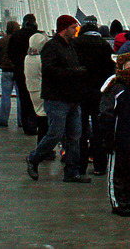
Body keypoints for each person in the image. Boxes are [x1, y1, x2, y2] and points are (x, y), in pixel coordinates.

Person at [26, 15, 91, 184]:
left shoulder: (70, 46)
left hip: (72, 98)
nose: (76, 30)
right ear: (64, 28)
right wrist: (75, 72)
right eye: (72, 27)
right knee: (55, 134)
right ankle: (33, 159)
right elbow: (50, 71)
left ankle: (72, 171)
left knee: (74, 136)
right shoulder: (51, 47)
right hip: (57, 98)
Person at [100, 51, 130, 216]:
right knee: (117, 172)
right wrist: (108, 138)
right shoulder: (115, 87)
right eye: (128, 64)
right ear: (121, 67)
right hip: (118, 138)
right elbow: (106, 113)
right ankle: (118, 203)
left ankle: (129, 201)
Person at [73, 15, 116, 176]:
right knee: (99, 130)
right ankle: (99, 164)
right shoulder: (105, 46)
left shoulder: (75, 44)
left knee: (80, 129)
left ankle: (80, 164)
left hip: (80, 92)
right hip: (100, 93)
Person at [8, 13, 41, 135]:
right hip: (35, 72)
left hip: (20, 71)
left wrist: (17, 63)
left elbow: (10, 53)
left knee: (23, 98)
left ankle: (25, 123)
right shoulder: (38, 36)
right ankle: (34, 123)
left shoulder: (16, 35)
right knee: (35, 98)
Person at [25, 28, 51, 146]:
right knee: (44, 122)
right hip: (41, 90)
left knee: (40, 118)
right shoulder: (41, 60)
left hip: (32, 89)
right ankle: (44, 148)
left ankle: (42, 146)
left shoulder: (28, 58)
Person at [0, 20, 21, 127]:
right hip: (18, 70)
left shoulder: (2, 40)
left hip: (6, 70)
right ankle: (21, 120)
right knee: (21, 97)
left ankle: (3, 119)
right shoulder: (19, 40)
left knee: (5, 96)